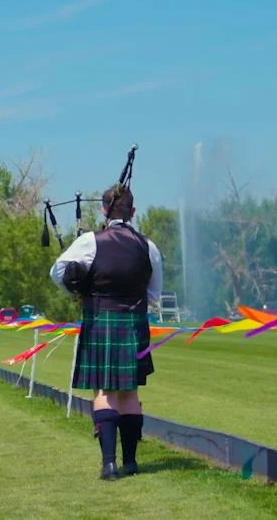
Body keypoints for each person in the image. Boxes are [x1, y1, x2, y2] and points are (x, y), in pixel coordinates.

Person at [49, 184, 163, 480]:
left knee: (104, 391)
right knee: (129, 393)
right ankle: (132, 462)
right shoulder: (147, 246)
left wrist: (74, 292)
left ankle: (109, 465)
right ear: (133, 212)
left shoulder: (91, 241)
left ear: (104, 210)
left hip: (101, 319)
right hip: (135, 322)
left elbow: (58, 270)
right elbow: (154, 294)